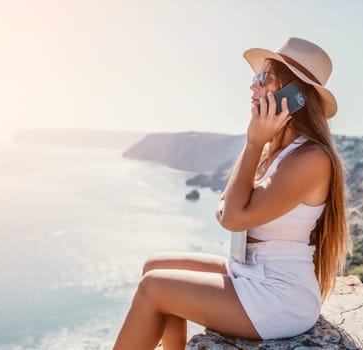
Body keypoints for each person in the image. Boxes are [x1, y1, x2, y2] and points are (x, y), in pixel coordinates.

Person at [114, 37, 350, 350]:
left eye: (263, 78)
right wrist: (257, 144)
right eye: (255, 78)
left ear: (293, 94)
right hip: (248, 272)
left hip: (279, 296)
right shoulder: (274, 151)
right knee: (153, 267)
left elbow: (233, 218)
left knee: (154, 287)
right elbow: (224, 209)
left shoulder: (311, 159)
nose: (253, 87)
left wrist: (253, 143)